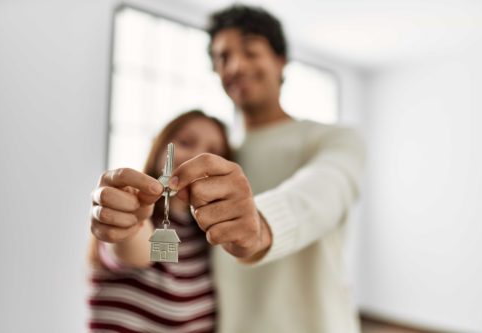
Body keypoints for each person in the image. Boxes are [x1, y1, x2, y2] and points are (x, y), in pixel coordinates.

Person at [90, 5, 365, 333]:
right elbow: (138, 250)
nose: (236, 66)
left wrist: (260, 226)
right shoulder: (223, 157)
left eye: (250, 51)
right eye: (223, 57)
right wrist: (128, 227)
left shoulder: (333, 139)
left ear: (281, 61)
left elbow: (324, 191)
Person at [88, 110, 232, 332]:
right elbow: (131, 244)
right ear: (159, 148)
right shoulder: (138, 212)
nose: (198, 157)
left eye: (213, 153)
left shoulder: (209, 238)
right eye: (185, 142)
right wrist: (130, 219)